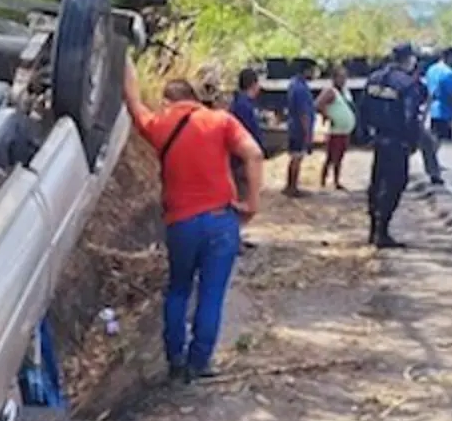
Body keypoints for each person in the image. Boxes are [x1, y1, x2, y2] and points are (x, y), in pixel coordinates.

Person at [121, 55, 264, 383]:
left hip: (181, 224)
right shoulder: (221, 121)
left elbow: (132, 101)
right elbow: (254, 153)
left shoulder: (158, 125)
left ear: (167, 101)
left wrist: (125, 59)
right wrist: (251, 204)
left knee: (179, 290)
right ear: (195, 99)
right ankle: (200, 363)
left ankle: (175, 361)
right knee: (212, 292)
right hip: (221, 221)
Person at [361, 43, 423, 249]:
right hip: (398, 141)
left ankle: (373, 230)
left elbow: (363, 108)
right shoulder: (406, 84)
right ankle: (382, 232)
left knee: (377, 183)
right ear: (408, 59)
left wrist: (364, 135)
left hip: (379, 138)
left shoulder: (374, 78)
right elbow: (410, 116)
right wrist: (412, 141)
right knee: (395, 184)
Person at [229, 68, 265, 253]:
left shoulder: (241, 103)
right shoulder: (244, 106)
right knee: (243, 198)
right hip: (243, 160)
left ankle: (237, 236)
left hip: (241, 159)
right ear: (254, 84)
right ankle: (233, 239)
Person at [315, 65, 355, 191]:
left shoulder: (346, 91)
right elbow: (318, 104)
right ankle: (323, 181)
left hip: (345, 131)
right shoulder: (330, 91)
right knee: (331, 157)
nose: (343, 80)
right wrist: (328, 116)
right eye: (340, 77)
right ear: (334, 78)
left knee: (340, 157)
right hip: (335, 131)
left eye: (345, 77)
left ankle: (337, 181)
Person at [285, 61, 316, 198]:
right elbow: (304, 113)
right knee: (297, 157)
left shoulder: (294, 84)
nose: (314, 73)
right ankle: (293, 188)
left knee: (294, 157)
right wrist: (307, 133)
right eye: (312, 70)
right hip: (299, 128)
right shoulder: (301, 89)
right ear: (306, 71)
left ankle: (290, 186)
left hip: (293, 126)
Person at [412, 68, 444, 186]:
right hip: (397, 123)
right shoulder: (403, 83)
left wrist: (422, 119)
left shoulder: (420, 86)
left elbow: (428, 100)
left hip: (413, 121)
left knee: (429, 143)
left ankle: (434, 174)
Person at [425, 48, 452, 141]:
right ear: (450, 57)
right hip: (445, 112)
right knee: (445, 143)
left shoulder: (430, 70)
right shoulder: (449, 73)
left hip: (433, 111)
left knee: (434, 141)